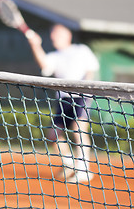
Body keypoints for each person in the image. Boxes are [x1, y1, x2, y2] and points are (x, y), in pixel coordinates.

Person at [26, 24, 99, 183]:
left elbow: (91, 70)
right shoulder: (55, 56)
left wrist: (84, 88)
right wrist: (35, 45)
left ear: (67, 36)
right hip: (63, 98)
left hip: (81, 95)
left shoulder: (81, 50)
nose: (53, 38)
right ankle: (69, 164)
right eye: (52, 35)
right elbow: (44, 65)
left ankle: (84, 169)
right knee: (53, 135)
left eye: (56, 35)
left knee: (78, 129)